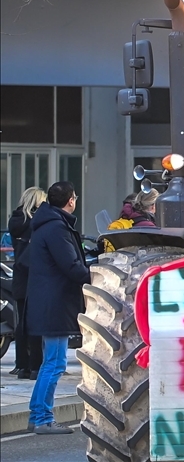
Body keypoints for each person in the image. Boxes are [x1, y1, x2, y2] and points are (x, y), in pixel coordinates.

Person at [25, 181, 90, 435]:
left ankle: (36, 414)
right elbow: (71, 267)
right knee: (55, 363)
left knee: (49, 362)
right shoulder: (56, 228)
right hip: (55, 304)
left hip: (49, 302)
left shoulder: (48, 224)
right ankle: (43, 419)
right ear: (70, 201)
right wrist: (95, 274)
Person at [7, 187, 46, 380]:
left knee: (22, 323)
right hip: (36, 276)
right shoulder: (37, 223)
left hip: (20, 276)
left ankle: (22, 365)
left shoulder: (15, 221)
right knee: (37, 322)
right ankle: (36, 366)